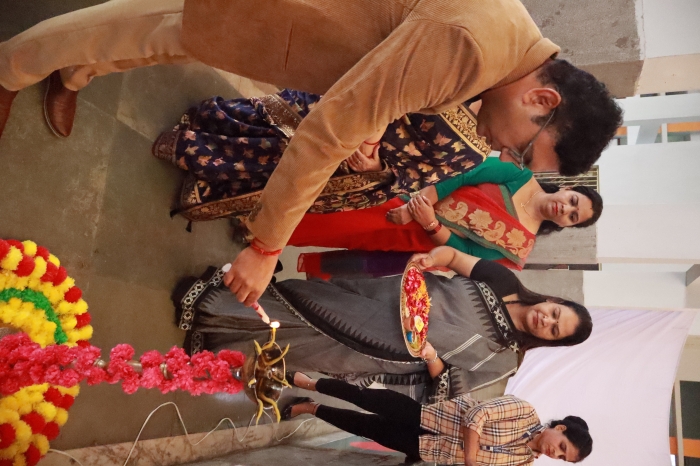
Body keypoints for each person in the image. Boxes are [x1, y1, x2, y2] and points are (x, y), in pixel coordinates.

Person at [0, 0, 623, 306]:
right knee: (152, 24)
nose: (503, 150)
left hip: (303, 31)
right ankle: (12, 67)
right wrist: (266, 246)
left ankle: (75, 71)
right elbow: (328, 132)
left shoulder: (508, 48)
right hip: (286, 15)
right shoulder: (475, 49)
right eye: (523, 147)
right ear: (541, 100)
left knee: (168, 36)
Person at [173, 246, 592, 401]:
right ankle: (213, 306)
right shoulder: (504, 281)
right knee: (303, 301)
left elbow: (447, 387)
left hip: (382, 350)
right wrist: (431, 259)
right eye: (555, 313)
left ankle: (217, 344)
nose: (546, 320)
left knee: (301, 350)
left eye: (554, 330)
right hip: (381, 298)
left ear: (550, 340)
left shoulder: (505, 361)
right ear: (553, 301)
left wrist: (431, 355)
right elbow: (453, 257)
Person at [152, 90, 488, 222]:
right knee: (286, 130)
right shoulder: (464, 75)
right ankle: (198, 133)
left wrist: (377, 166)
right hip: (355, 113)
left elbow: (421, 177)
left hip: (363, 166)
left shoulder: (479, 150)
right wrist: (369, 136)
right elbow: (395, 84)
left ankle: (202, 169)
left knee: (292, 174)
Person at [292, 157, 603, 274]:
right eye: (573, 201)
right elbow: (467, 172)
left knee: (336, 234)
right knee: (332, 208)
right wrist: (416, 205)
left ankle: (272, 234)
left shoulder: (519, 246)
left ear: (566, 225)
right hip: (407, 194)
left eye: (573, 216)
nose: (566, 209)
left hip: (411, 238)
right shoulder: (518, 174)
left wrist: (428, 222)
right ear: (567, 188)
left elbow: (464, 252)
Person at [281, 373, 592, 465]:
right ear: (560, 428)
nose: (555, 453)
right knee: (365, 399)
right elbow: (478, 414)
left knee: (363, 426)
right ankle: (311, 383)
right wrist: (471, 460)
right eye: (562, 446)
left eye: (562, 458)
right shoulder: (525, 411)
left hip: (426, 449)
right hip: (427, 416)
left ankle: (310, 408)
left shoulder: (523, 463)